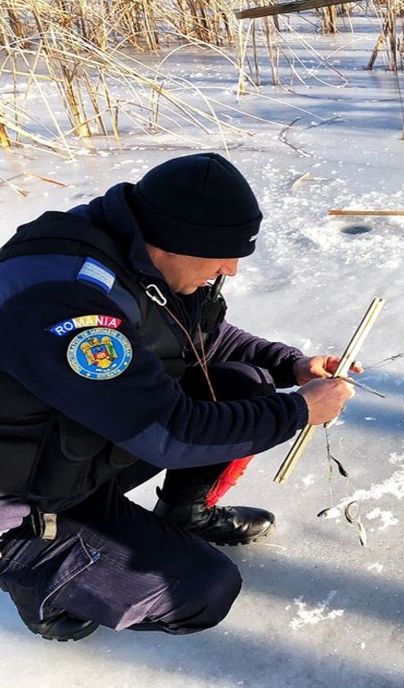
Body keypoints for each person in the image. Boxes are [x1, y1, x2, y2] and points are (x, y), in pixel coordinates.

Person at [0, 153, 357, 642]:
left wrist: (290, 365)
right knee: (202, 589)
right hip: (18, 498)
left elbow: (194, 336)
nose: (230, 268)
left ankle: (185, 514)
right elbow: (170, 431)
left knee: (244, 384)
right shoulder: (66, 299)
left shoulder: (139, 252)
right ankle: (41, 585)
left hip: (67, 447)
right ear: (179, 241)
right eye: (222, 255)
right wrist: (298, 410)